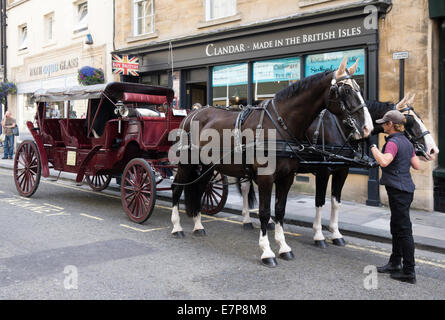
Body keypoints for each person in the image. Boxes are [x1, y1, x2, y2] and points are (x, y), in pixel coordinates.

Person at [370, 110, 421, 284]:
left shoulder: (393, 142)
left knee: (404, 230)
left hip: (399, 191)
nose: (382, 125)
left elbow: (384, 161)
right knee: (397, 226)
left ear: (391, 125)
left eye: (384, 122)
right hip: (406, 190)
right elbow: (417, 165)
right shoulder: (407, 141)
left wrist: (373, 147)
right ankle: (394, 263)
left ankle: (409, 271)